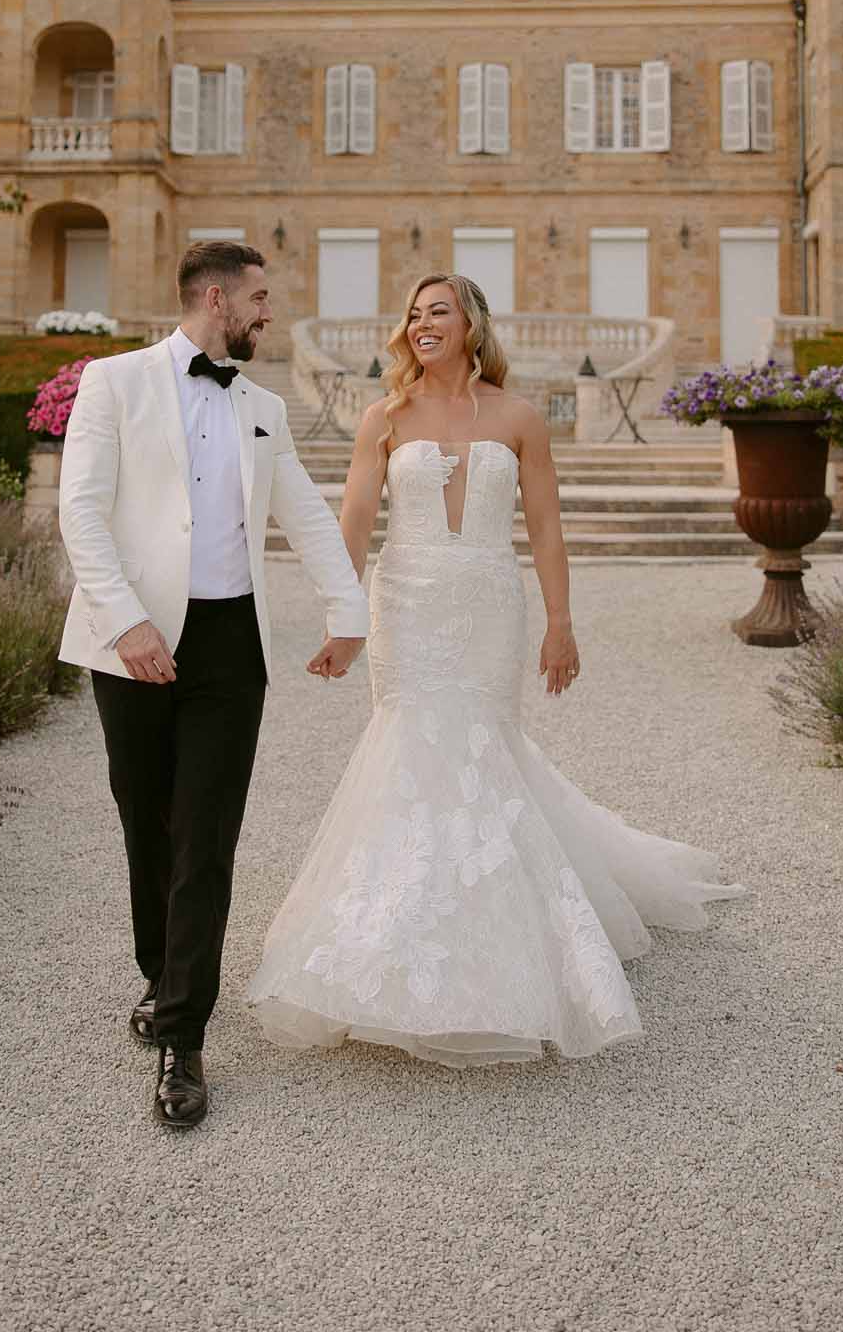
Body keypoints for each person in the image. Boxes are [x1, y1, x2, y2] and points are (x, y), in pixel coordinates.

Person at [247, 272, 741, 1066]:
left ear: (472, 323)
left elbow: (544, 527)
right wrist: (342, 622)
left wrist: (560, 623)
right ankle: (394, 940)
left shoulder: (517, 417)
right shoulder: (384, 415)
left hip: (485, 604)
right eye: (412, 315)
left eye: (436, 312)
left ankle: (507, 929)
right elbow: (354, 524)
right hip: (405, 604)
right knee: (407, 745)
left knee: (481, 746)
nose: (420, 325)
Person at [57, 241, 369, 1128]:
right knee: (145, 820)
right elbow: (80, 508)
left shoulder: (262, 404)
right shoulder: (113, 382)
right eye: (261, 298)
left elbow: (305, 512)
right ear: (215, 296)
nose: (270, 312)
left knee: (206, 834)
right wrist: (125, 619)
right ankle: (161, 974)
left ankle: (182, 1037)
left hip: (231, 645)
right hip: (133, 638)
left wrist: (349, 615)